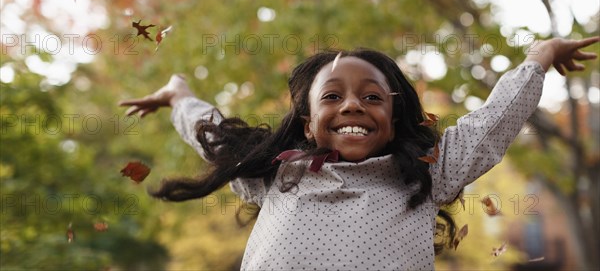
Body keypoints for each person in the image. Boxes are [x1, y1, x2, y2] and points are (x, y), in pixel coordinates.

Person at [120, 36, 598, 270]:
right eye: (332, 96)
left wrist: (539, 56)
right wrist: (178, 97)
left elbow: (494, 121)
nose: (352, 104)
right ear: (308, 123)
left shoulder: (428, 174)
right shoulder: (278, 175)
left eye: (372, 97)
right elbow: (217, 133)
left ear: (395, 117)